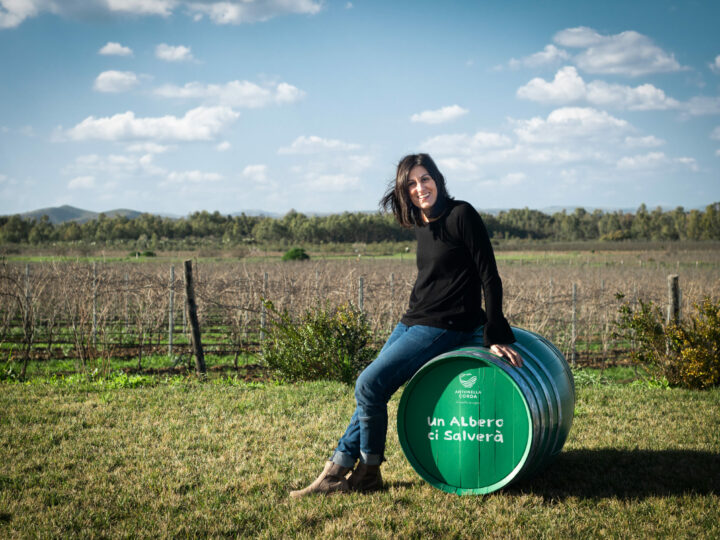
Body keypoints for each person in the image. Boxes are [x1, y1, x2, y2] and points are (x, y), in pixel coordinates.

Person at [290, 153, 522, 498]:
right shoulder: (423, 222)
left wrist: (494, 333)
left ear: (438, 180)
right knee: (373, 392)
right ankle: (336, 472)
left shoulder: (462, 215)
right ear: (404, 190)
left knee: (368, 383)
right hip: (413, 321)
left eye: (425, 179)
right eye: (411, 183)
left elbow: (490, 276)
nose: (420, 187)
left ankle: (368, 473)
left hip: (447, 325)